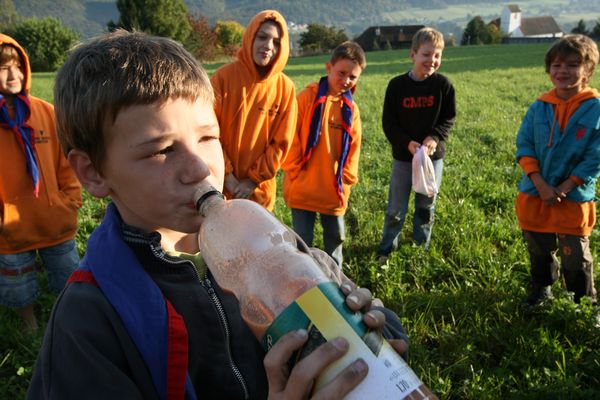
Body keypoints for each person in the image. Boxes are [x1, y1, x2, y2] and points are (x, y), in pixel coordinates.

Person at [27, 30, 409, 399]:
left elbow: (382, 324)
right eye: (160, 150)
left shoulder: (267, 242)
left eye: (208, 138)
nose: (200, 169)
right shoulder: (89, 318)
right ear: (93, 172)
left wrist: (375, 324)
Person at [0, 34, 82, 333]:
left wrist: (69, 199)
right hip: (10, 227)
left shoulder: (46, 112)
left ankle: (70, 317)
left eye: (18, 66)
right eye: (3, 68)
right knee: (17, 282)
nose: (13, 75)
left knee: (68, 274)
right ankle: (28, 322)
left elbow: (66, 160)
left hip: (54, 219)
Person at [516, 34, 600, 307]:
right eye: (556, 64)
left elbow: (595, 156)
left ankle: (582, 302)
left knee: (575, 253)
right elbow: (524, 145)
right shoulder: (539, 107)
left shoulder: (595, 108)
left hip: (573, 197)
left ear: (588, 70)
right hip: (535, 193)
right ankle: (542, 289)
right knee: (538, 247)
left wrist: (565, 186)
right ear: (549, 69)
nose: (563, 70)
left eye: (573, 65)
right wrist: (539, 182)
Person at [282, 41, 365, 268]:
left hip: (332, 190)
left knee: (335, 238)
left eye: (353, 77)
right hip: (303, 187)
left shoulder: (351, 110)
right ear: (329, 67)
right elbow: (290, 135)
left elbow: (354, 148)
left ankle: (335, 277)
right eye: (341, 73)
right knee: (302, 240)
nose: (346, 80)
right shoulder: (306, 98)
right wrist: (295, 168)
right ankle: (304, 276)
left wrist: (346, 180)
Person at [377, 27, 456, 264]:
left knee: (425, 206)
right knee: (396, 208)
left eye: (437, 55)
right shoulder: (397, 86)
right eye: (426, 54)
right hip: (404, 157)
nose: (432, 61)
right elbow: (388, 122)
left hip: (433, 159)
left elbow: (448, 118)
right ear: (413, 55)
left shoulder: (444, 86)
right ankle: (387, 249)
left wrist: (434, 137)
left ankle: (421, 247)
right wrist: (405, 143)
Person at [211, 10, 297, 211]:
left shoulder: (285, 88)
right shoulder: (223, 78)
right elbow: (207, 132)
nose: (268, 46)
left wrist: (252, 180)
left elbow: (281, 145)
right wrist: (227, 177)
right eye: (262, 37)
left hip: (258, 194)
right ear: (250, 37)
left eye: (276, 42)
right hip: (220, 190)